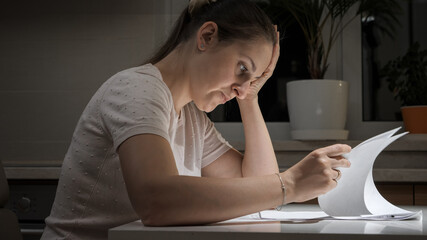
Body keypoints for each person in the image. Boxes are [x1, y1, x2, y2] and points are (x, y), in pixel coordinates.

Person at [42, 0, 351, 239]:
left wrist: (250, 97)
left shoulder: (192, 117)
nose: (242, 86)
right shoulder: (136, 89)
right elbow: (157, 201)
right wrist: (290, 184)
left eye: (254, 78)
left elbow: (258, 191)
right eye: (243, 69)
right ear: (207, 36)